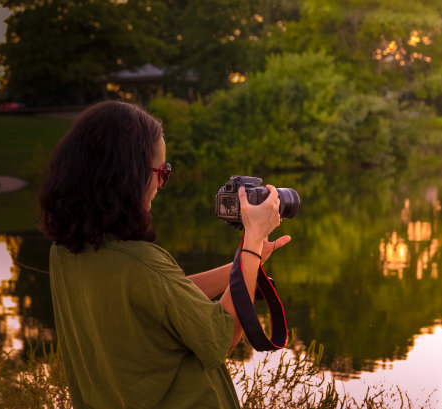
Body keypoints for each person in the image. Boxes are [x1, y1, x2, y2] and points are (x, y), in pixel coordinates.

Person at [39, 100, 291, 409]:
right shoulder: (142, 262)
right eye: (161, 171)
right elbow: (220, 338)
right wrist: (252, 241)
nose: (161, 183)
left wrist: (243, 264)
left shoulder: (64, 253)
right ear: (125, 175)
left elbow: (162, 300)